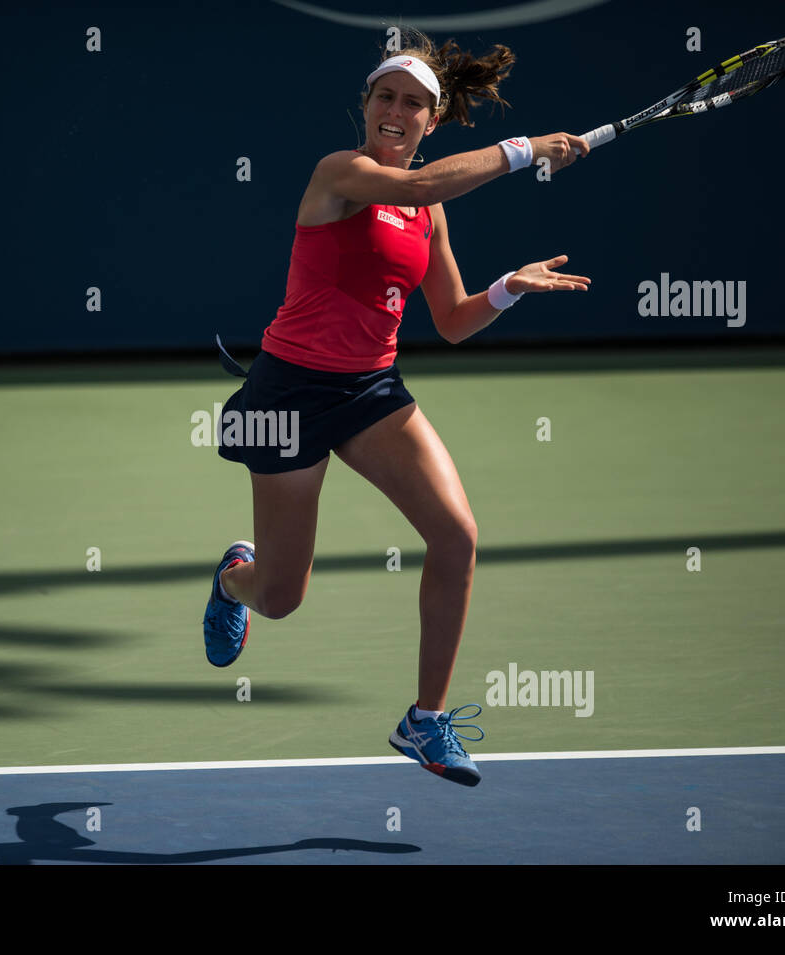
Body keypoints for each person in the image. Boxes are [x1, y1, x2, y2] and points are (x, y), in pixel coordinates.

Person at [203, 31, 591, 786]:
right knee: (280, 597)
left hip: (371, 390)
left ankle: (425, 720)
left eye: (414, 103)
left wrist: (510, 286)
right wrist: (524, 149)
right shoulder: (341, 174)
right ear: (367, 105)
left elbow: (449, 319)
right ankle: (232, 580)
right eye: (386, 95)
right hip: (289, 391)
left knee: (456, 535)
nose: (396, 110)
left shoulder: (429, 213)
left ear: (430, 123)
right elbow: (421, 187)